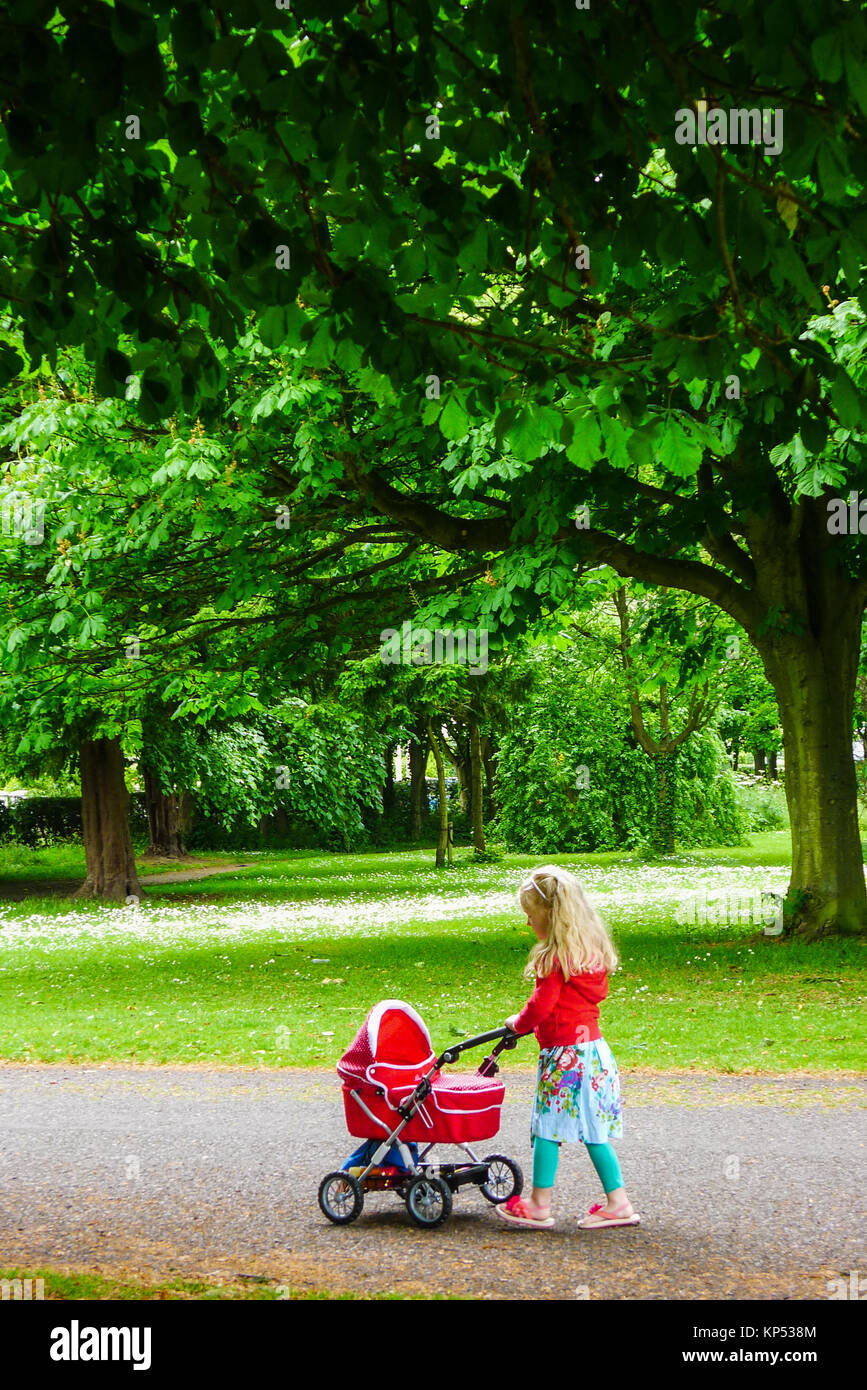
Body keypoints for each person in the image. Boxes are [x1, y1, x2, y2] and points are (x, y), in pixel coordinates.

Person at [495, 865, 639, 1230]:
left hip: (565, 1058)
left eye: (531, 916)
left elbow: (540, 1008)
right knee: (594, 1132)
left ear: (549, 917)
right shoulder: (588, 954)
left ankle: (539, 1204)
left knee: (547, 1127)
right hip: (594, 1052)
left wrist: (517, 1023)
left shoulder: (555, 961)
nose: (528, 924)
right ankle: (618, 1202)